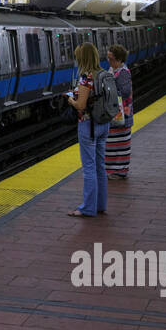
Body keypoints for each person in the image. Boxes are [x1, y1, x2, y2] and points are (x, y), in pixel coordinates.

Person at [67, 43, 109, 218]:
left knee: (89, 167)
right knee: (100, 165)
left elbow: (81, 105)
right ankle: (100, 205)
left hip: (88, 125)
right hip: (103, 124)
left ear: (82, 58)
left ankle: (87, 208)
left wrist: (71, 100)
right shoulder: (103, 75)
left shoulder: (86, 79)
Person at [105, 44, 133, 180]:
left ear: (119, 59)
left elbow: (126, 91)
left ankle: (120, 170)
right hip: (115, 115)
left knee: (119, 145)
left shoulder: (123, 73)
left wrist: (110, 90)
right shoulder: (112, 70)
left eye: (111, 58)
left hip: (122, 116)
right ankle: (111, 169)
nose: (108, 61)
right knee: (112, 144)